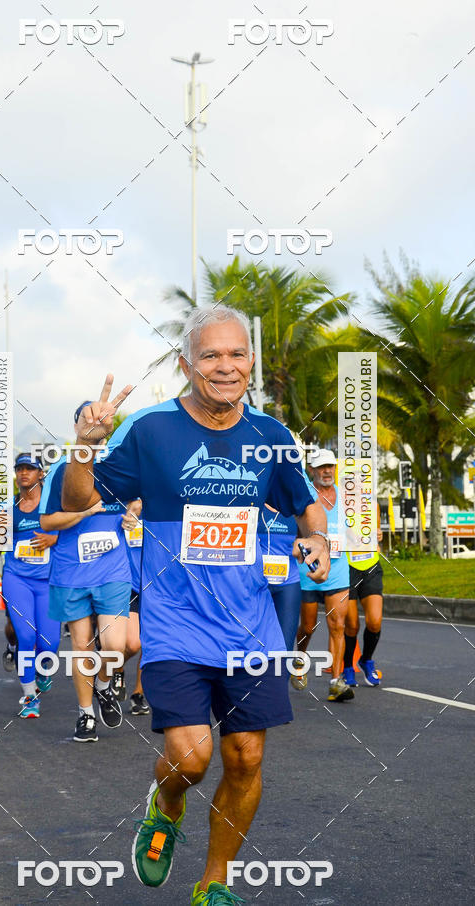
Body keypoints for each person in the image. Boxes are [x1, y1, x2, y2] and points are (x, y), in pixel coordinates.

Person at [60, 307, 330, 904]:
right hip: (175, 623)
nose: (225, 367)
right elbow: (83, 498)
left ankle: (214, 884)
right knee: (190, 758)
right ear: (187, 364)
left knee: (246, 757)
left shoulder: (271, 436)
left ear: (250, 363)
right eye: (210, 356)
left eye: (236, 355)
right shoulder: (151, 430)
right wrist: (85, 448)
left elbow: (305, 503)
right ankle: (167, 803)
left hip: (251, 625)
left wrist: (317, 535)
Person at [40, 437, 132, 743]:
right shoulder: (60, 470)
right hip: (72, 572)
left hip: (112, 570)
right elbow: (47, 521)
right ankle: (86, 714)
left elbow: (138, 498)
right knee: (81, 646)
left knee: (115, 645)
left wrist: (133, 513)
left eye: (102, 433)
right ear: (77, 427)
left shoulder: (118, 467)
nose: (97, 437)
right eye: (87, 425)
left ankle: (104, 686)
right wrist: (85, 513)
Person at [0, 453, 60, 718]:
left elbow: (68, 534)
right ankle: (29, 696)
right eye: (20, 469)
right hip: (17, 579)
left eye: (30, 469)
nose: (24, 473)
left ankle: (42, 671)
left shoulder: (53, 506)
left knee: (50, 642)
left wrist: (53, 540)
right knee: (26, 637)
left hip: (49, 581)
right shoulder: (7, 510)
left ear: (41, 474)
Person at [293, 449, 353, 703]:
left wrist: (373, 536)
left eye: (330, 466)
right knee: (308, 626)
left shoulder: (346, 495)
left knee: (337, 625)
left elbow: (360, 526)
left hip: (338, 568)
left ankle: (335, 681)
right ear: (312, 470)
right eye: (321, 467)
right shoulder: (305, 494)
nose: (327, 471)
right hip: (308, 567)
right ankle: (299, 658)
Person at [111, 499, 150, 715]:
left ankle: (138, 695)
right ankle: (115, 669)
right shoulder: (117, 508)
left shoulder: (158, 507)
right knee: (133, 644)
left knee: (150, 644)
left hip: (157, 586)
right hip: (128, 584)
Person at [343, 505, 384, 688]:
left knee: (375, 621)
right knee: (352, 625)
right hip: (347, 566)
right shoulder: (340, 500)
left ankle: (366, 660)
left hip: (371, 566)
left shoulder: (372, 503)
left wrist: (379, 535)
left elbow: (376, 532)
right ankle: (347, 667)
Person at [258, 503, 301, 653]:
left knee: (285, 644)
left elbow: (312, 535)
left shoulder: (294, 506)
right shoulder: (255, 501)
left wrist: (303, 544)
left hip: (288, 583)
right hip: (257, 583)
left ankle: (282, 675)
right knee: (255, 640)